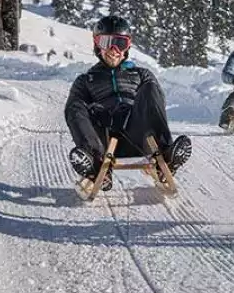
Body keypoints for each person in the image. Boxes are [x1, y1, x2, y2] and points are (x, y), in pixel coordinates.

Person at [65, 15, 191, 190]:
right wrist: (96, 109)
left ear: (128, 46)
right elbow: (74, 112)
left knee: (151, 89)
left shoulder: (141, 74)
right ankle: (95, 164)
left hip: (138, 135)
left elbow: (155, 102)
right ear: (97, 45)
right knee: (75, 105)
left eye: (120, 43)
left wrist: (131, 109)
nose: (114, 49)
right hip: (104, 139)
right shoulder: (86, 80)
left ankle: (165, 156)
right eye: (107, 42)